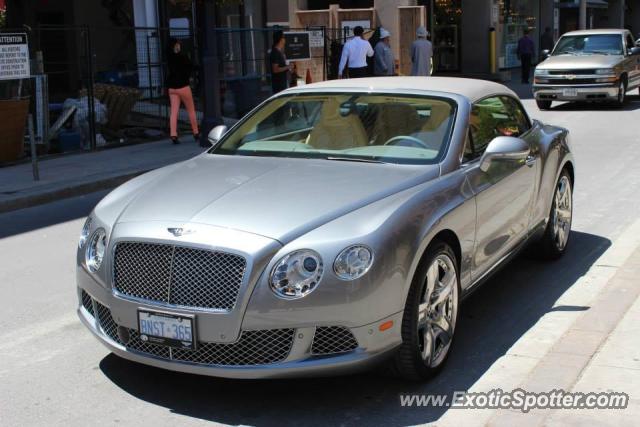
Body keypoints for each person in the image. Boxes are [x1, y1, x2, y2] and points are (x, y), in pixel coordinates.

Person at [166, 38, 199, 144]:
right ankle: (196, 132)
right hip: (183, 86)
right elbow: (191, 67)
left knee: (174, 112)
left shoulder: (169, 57)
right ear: (176, 46)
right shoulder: (183, 57)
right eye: (178, 45)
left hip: (172, 88)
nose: (179, 46)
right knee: (191, 110)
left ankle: (173, 135)